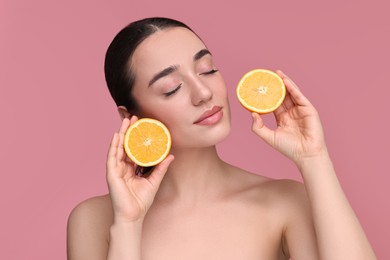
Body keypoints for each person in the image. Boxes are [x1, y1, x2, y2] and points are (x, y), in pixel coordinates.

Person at [66, 17, 376, 260]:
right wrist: (129, 226)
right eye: (172, 88)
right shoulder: (94, 220)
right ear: (130, 117)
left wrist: (315, 159)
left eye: (207, 69)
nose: (204, 94)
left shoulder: (284, 201)